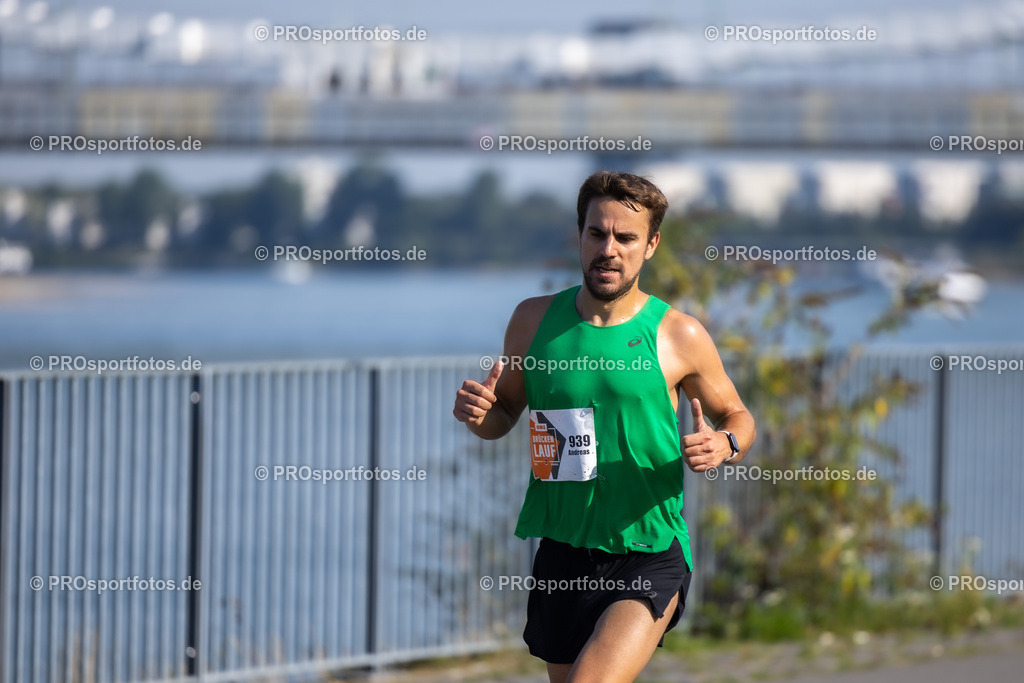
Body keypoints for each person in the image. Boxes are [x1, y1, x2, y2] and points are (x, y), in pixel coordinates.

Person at [453, 171, 755, 683]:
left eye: (626, 238)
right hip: (563, 553)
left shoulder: (677, 333)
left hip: (648, 551)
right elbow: (504, 415)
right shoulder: (532, 322)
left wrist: (723, 444)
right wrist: (481, 417)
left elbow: (738, 417)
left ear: (651, 245)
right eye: (597, 233)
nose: (608, 249)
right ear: (580, 234)